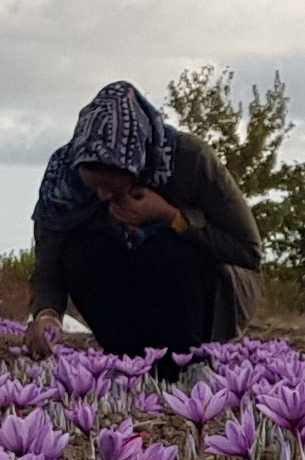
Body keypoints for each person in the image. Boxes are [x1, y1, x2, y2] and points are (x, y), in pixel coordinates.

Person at [24, 82, 260, 362]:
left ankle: (186, 361)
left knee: (162, 249)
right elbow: (49, 265)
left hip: (201, 298)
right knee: (82, 252)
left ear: (135, 162)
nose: (103, 196)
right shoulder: (63, 179)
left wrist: (171, 216)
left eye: (112, 187)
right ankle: (126, 361)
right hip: (124, 298)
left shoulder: (189, 159)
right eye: (95, 186)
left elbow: (248, 252)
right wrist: (47, 313)